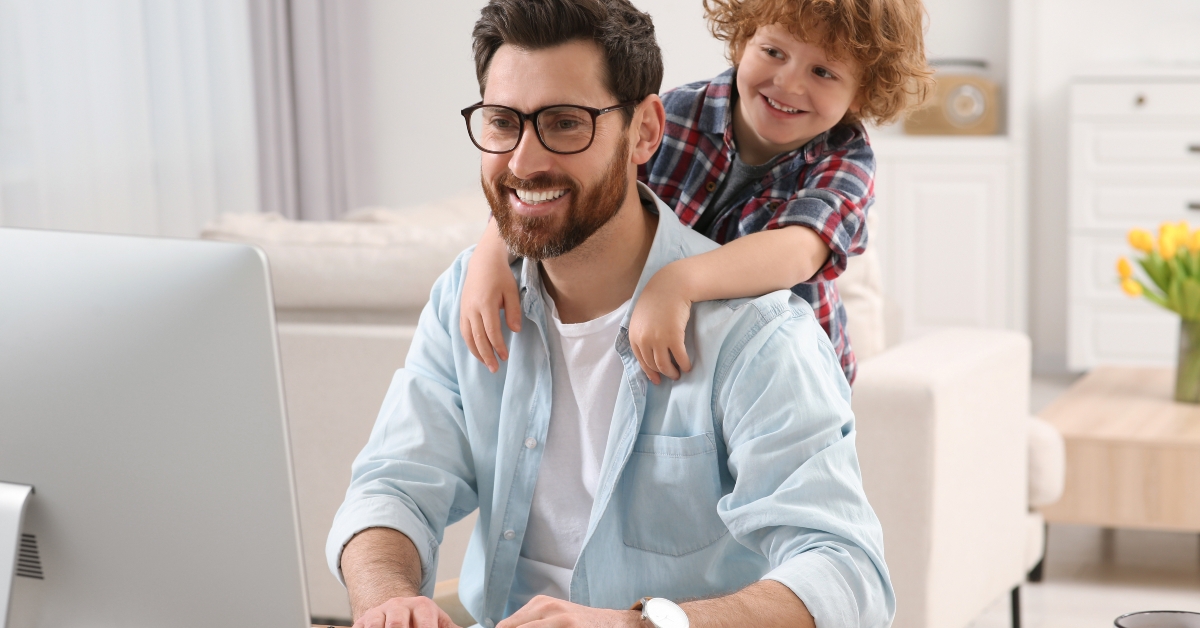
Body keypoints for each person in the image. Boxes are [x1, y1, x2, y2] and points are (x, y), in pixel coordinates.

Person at [327, 1, 893, 627]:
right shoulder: (468, 293)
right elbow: (393, 484)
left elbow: (846, 573)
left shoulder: (761, 335)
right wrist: (385, 604)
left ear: (646, 133)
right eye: (501, 122)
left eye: (566, 123)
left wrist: (637, 624)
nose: (523, 159)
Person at [458, 0, 932, 386]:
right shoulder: (678, 112)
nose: (788, 82)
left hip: (784, 373)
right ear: (744, 40)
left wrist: (679, 281)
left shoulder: (846, 158)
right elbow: (567, 181)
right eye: (774, 52)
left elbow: (800, 250)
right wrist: (489, 255)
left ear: (862, 93)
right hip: (667, 345)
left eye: (823, 73)